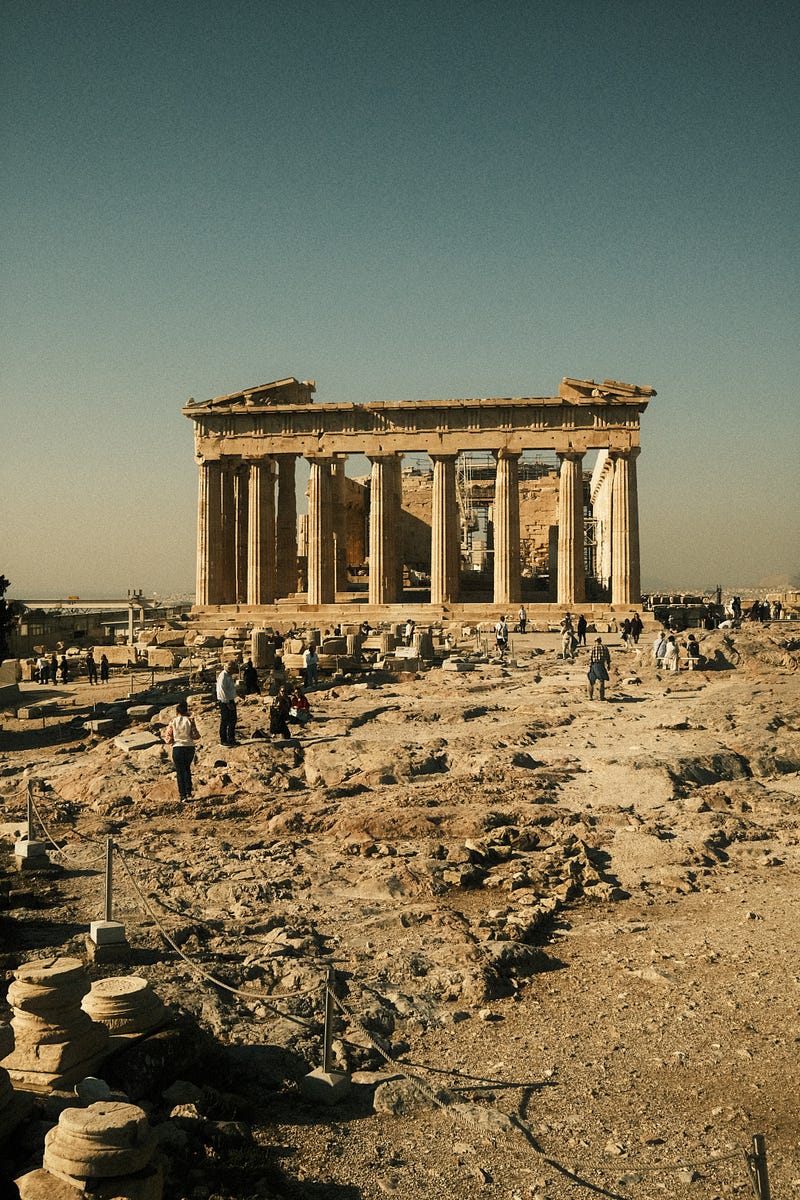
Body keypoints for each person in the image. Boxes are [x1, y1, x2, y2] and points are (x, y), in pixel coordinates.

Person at [163, 699, 201, 801]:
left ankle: (182, 795)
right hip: (189, 747)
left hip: (177, 747)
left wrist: (173, 740)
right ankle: (189, 792)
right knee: (187, 769)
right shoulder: (190, 720)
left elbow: (168, 738)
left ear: (177, 712)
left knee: (179, 772)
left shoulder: (172, 722)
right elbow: (196, 735)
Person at [216, 660, 239, 746]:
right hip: (225, 701)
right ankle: (224, 740)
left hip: (230, 700)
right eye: (233, 669)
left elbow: (230, 689)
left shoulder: (228, 676)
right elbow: (222, 691)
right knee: (225, 721)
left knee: (233, 720)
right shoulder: (223, 676)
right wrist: (227, 703)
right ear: (229, 668)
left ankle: (231, 739)